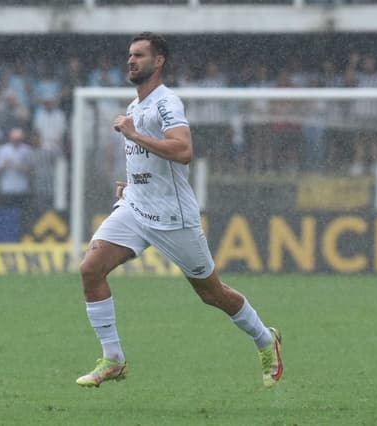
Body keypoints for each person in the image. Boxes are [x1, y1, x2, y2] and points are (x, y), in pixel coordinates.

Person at [75, 32, 283, 388]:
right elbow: (149, 160)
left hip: (174, 217)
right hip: (137, 208)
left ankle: (266, 340)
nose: (131, 60)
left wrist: (134, 135)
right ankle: (113, 359)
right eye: (129, 55)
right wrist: (132, 182)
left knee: (211, 293)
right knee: (91, 268)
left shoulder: (166, 102)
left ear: (158, 62)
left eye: (139, 55)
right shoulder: (134, 106)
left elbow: (182, 150)